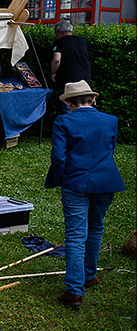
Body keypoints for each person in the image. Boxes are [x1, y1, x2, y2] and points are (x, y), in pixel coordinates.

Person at [44, 80, 126, 309]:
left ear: (68, 103)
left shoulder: (64, 121)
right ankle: (89, 275)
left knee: (76, 235)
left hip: (76, 183)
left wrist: (60, 177)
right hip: (106, 182)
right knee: (96, 227)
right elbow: (110, 149)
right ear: (93, 99)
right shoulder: (110, 120)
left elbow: (58, 157)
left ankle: (74, 289)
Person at [50, 19, 90, 102]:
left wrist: (54, 72)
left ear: (60, 32)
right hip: (84, 78)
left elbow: (57, 59)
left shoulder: (60, 42)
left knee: (68, 102)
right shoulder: (82, 41)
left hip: (67, 78)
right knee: (83, 102)